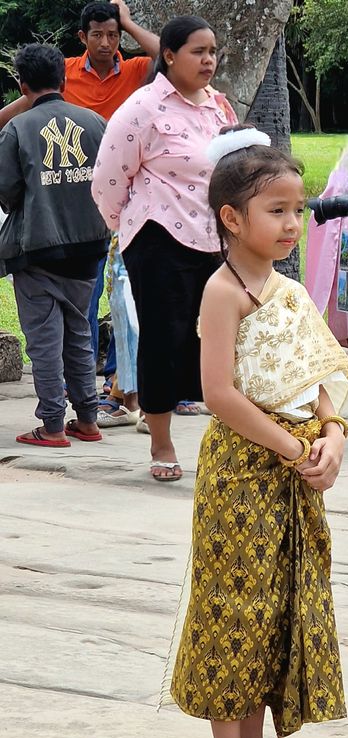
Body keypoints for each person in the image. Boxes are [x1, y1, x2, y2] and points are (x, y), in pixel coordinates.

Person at [160, 125, 348, 738]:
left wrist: (332, 431)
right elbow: (219, 394)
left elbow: (325, 367)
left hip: (293, 468)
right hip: (245, 470)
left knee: (276, 603)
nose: (293, 223)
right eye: (277, 210)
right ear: (231, 217)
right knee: (234, 602)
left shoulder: (289, 291)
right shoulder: (225, 292)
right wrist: (296, 446)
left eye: (298, 209)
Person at [92, 15, 237, 481]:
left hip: (214, 239)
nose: (209, 60)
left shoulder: (219, 109)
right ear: (169, 55)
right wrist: (129, 230)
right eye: (198, 51)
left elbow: (235, 170)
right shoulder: (143, 108)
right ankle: (161, 442)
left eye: (213, 51)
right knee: (164, 337)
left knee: (218, 339)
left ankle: (231, 435)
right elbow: (108, 180)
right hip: (157, 239)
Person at [0, 2, 160, 389]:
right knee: (81, 302)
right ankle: (84, 384)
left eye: (113, 35)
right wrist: (34, 103)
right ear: (82, 38)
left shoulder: (136, 69)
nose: (106, 43)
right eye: (97, 35)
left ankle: (120, 381)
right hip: (70, 198)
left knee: (126, 293)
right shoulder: (66, 72)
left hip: (123, 196)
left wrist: (129, 23)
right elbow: (33, 100)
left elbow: (164, 52)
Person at [0, 44, 108, 446]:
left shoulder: (18, 128)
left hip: (39, 249)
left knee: (44, 340)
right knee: (79, 332)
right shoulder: (95, 121)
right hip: (89, 247)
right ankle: (88, 419)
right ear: (64, 79)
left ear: (22, 84)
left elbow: (6, 189)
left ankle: (51, 425)